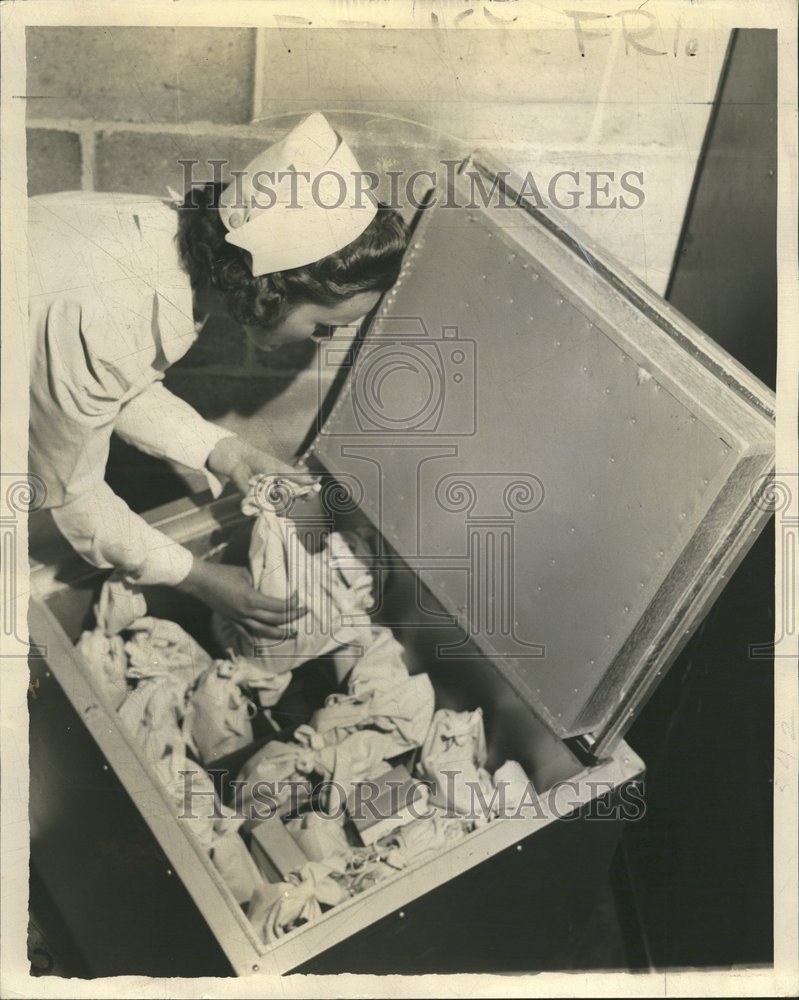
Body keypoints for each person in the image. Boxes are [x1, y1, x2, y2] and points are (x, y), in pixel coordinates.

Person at [28, 113, 408, 639]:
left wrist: (223, 450)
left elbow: (110, 386)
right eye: (324, 325)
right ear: (272, 288)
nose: (321, 341)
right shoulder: (109, 310)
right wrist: (199, 577)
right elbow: (73, 496)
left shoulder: (163, 245)